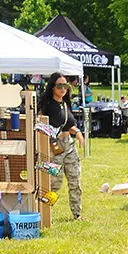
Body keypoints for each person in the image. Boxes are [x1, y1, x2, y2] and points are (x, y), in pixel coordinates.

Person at [39, 72, 84, 220]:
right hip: (53, 147)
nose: (63, 89)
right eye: (59, 86)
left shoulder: (65, 104)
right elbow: (39, 124)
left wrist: (78, 132)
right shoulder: (46, 105)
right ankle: (43, 211)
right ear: (52, 87)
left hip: (68, 145)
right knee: (54, 184)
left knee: (75, 180)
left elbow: (68, 125)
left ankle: (77, 214)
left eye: (65, 85)